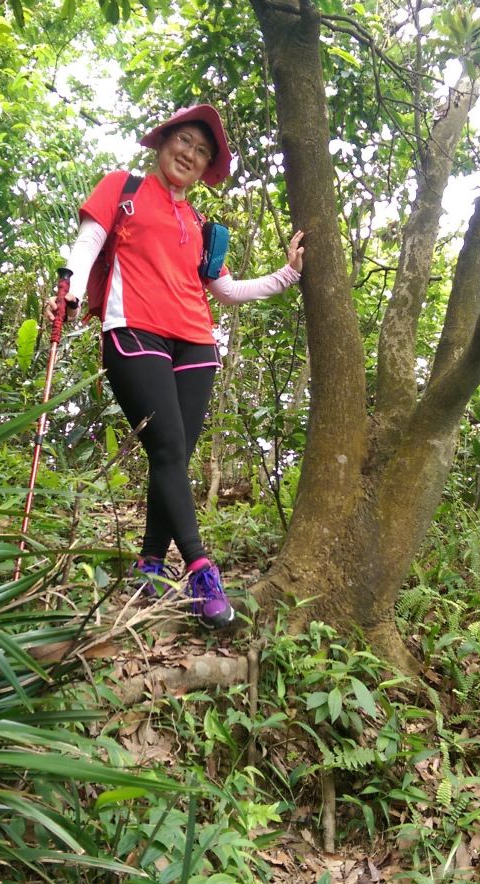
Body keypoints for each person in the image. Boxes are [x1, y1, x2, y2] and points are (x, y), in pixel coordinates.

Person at [46, 104, 303, 630]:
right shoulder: (125, 188)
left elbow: (226, 291)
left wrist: (288, 275)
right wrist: (69, 291)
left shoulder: (202, 225)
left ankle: (149, 565)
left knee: (176, 456)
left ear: (207, 167)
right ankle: (202, 570)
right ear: (163, 143)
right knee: (165, 446)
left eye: (203, 150)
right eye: (185, 141)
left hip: (196, 341)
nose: (190, 153)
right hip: (133, 329)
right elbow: (90, 244)